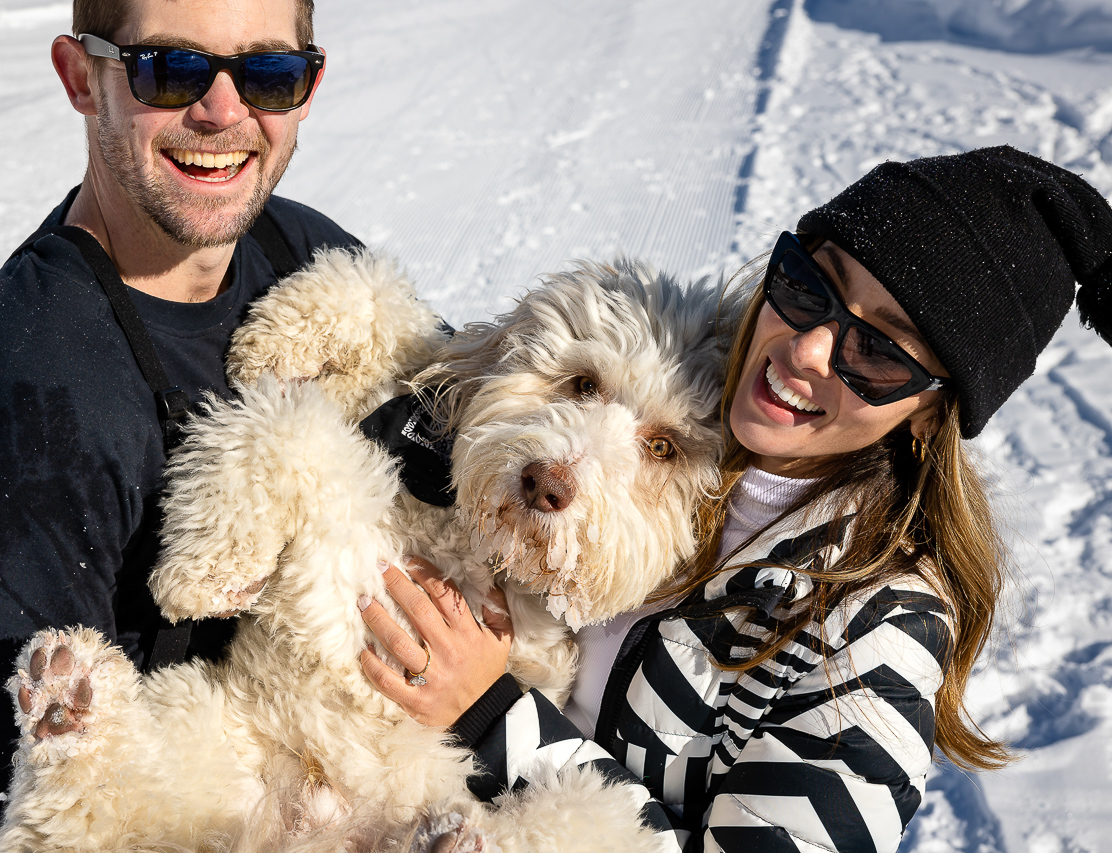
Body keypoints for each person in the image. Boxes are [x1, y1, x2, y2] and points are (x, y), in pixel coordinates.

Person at [358, 146, 1112, 851]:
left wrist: (495, 716)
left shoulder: (877, 638)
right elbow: (521, 374)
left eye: (879, 350)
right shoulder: (692, 414)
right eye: (810, 286)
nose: (807, 349)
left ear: (927, 413)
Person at [0, 1, 361, 849]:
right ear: (82, 79)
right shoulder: (27, 409)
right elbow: (45, 824)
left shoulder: (306, 257)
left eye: (269, 74)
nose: (222, 112)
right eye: (170, 69)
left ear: (310, 85)